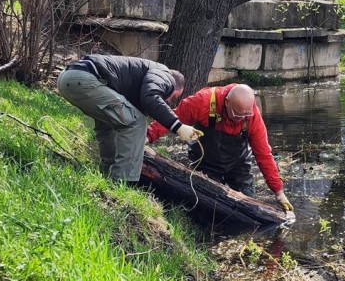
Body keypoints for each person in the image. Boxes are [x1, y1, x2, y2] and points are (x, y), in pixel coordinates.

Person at [146, 83, 294, 215]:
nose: (241, 119)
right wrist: (148, 136)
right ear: (227, 102)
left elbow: (264, 155)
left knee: (250, 206)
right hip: (205, 162)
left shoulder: (252, 117)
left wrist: (279, 192)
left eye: (246, 115)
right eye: (237, 114)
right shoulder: (203, 101)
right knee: (207, 207)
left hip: (238, 164)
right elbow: (171, 118)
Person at [57, 55, 202, 183]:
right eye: (173, 97)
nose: (169, 101)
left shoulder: (140, 74)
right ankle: (123, 182)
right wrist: (178, 126)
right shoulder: (165, 75)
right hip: (85, 79)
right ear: (173, 85)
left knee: (109, 125)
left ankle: (106, 173)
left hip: (68, 78)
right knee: (136, 123)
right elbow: (150, 97)